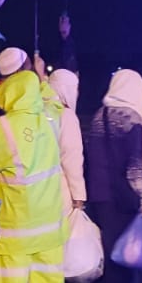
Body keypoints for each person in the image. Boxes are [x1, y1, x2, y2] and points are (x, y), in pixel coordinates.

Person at [0, 71, 68, 283]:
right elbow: (53, 100)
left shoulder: (0, 129)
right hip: (50, 226)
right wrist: (40, 76)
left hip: (16, 227)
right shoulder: (51, 120)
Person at [84, 68, 142, 283]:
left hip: (100, 194)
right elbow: (135, 165)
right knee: (124, 251)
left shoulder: (99, 115)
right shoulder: (132, 118)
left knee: (108, 248)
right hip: (124, 196)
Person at [48, 68, 86, 211]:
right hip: (60, 190)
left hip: (38, 189)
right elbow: (71, 157)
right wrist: (78, 195)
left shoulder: (38, 111)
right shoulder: (66, 115)